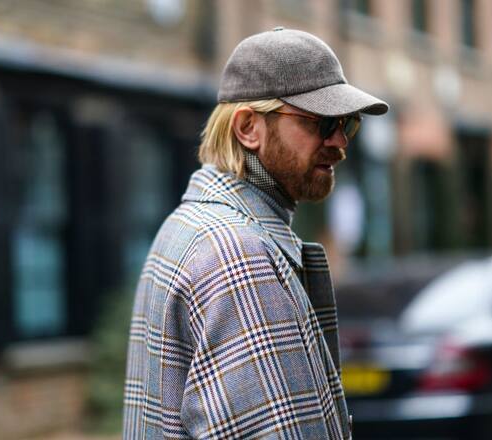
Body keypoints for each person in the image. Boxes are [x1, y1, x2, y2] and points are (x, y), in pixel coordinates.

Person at [123, 27, 388, 439]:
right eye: (321, 122)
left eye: (347, 123)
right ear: (248, 127)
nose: (340, 142)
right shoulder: (240, 257)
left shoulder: (189, 225)